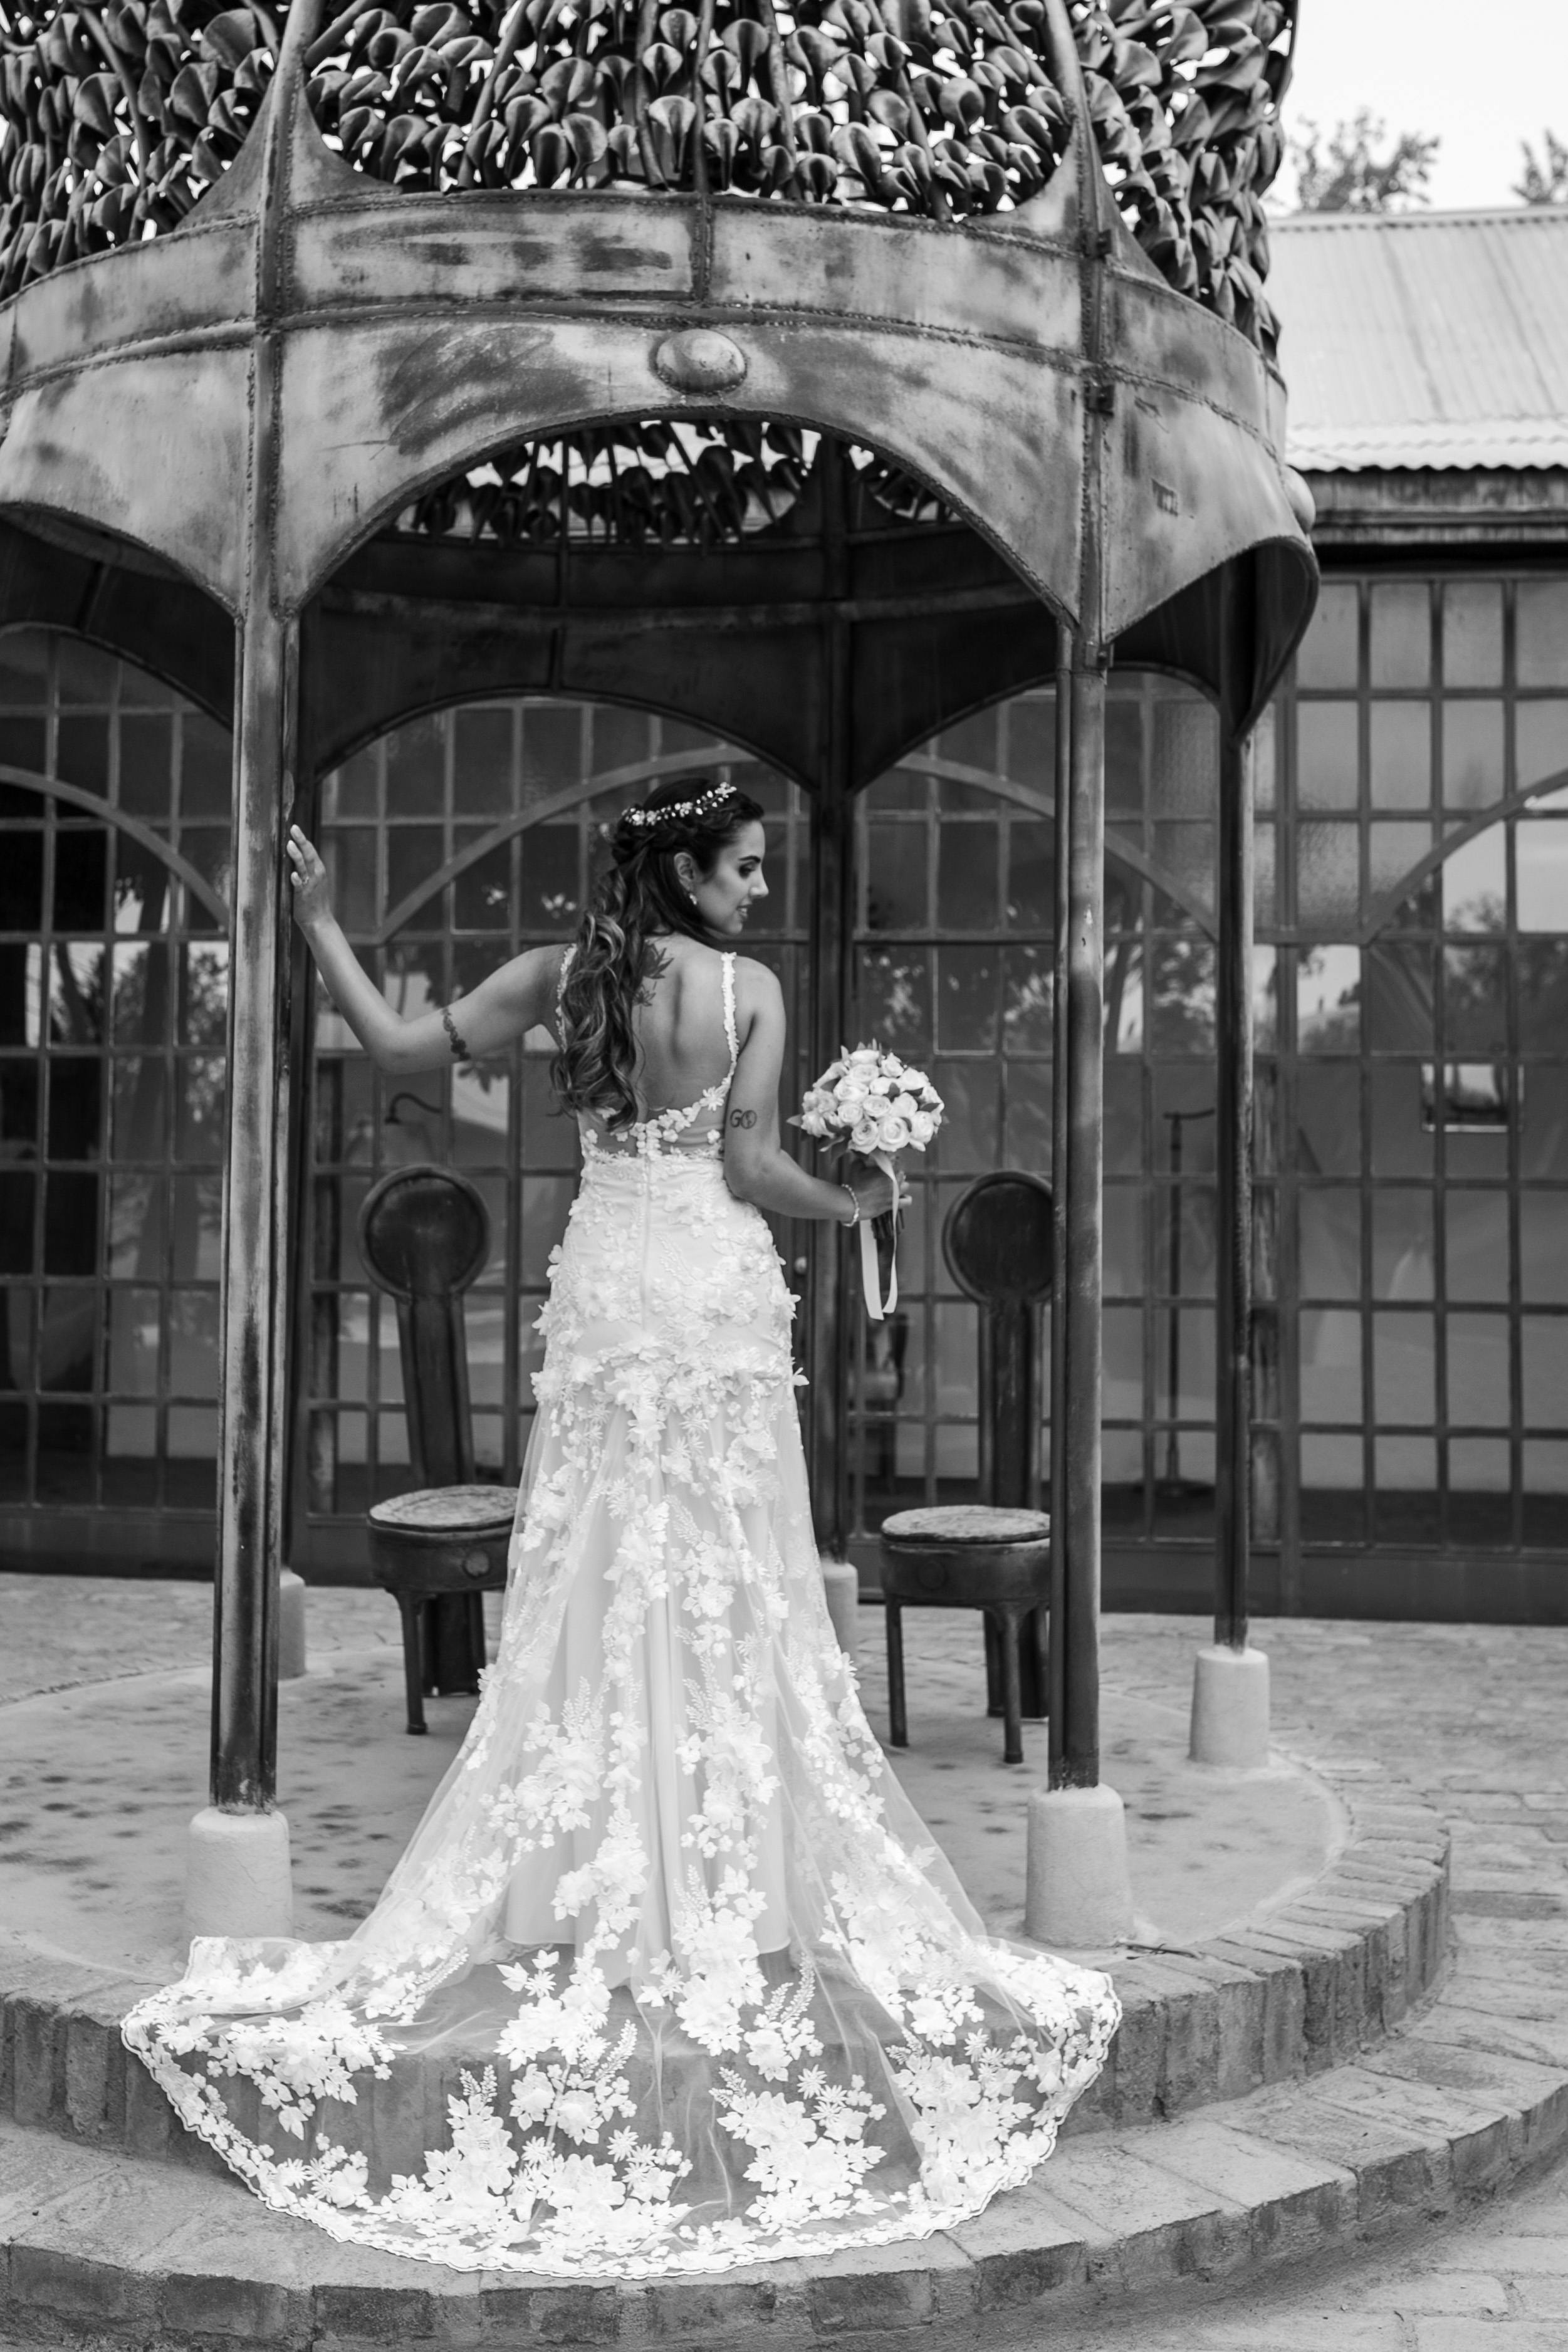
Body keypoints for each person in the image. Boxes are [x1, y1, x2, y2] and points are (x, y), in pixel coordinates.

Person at [122, 773, 1117, 2279]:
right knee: (730, 1581)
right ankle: (722, 1883)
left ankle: (584, 1879)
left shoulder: (563, 973)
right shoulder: (746, 993)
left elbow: (395, 1046)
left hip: (605, 1292)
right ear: (689, 874)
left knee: (595, 1579)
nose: (760, 889)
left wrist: (321, 923)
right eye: (745, 867)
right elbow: (750, 1168)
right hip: (710, 1297)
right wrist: (862, 1198)